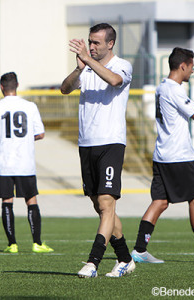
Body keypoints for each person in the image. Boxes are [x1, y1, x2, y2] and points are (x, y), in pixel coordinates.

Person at [131, 47, 194, 264]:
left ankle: (139, 250)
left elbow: (187, 111)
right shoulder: (175, 90)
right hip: (181, 157)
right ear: (182, 66)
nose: (192, 72)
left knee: (159, 202)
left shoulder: (163, 87)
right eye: (192, 68)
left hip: (162, 156)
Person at [61, 23, 135, 277]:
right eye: (89, 42)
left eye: (96, 43)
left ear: (110, 44)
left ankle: (93, 262)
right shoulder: (87, 66)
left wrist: (89, 62)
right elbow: (65, 88)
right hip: (86, 145)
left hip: (111, 144)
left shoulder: (122, 65)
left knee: (106, 204)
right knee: (101, 206)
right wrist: (78, 68)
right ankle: (125, 258)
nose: (91, 47)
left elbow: (114, 80)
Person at [0, 72, 53, 254]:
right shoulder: (30, 106)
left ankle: (12, 244)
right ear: (17, 86)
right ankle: (37, 243)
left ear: (1, 87)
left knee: (7, 200)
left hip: (4, 162)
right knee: (31, 200)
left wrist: (3, 138)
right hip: (25, 162)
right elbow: (40, 134)